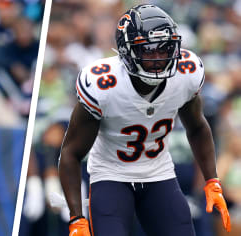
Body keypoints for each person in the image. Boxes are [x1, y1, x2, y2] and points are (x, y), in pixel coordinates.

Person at [58, 4, 231, 236]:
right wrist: (77, 219)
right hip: (111, 175)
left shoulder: (186, 73)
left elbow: (198, 127)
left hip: (159, 173)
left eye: (166, 48)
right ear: (127, 51)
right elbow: (70, 153)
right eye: (149, 50)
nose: (159, 58)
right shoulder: (103, 85)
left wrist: (212, 179)